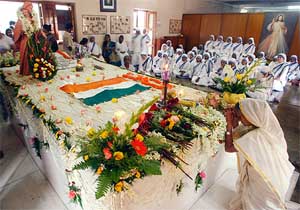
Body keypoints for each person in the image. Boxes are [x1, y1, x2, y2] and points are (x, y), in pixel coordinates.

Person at [225, 98, 294, 210]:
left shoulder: (257, 137)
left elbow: (229, 147)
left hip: (265, 182)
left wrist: (228, 124)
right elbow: (239, 135)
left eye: (241, 116)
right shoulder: (268, 127)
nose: (239, 119)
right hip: (275, 178)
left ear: (251, 115)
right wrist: (235, 122)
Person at [14, 1, 39, 75]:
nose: (25, 11)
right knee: (26, 56)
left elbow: (36, 30)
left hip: (33, 40)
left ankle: (35, 70)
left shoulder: (33, 19)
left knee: (34, 55)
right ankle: (26, 71)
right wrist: (21, 31)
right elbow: (16, 31)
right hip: (25, 41)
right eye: (23, 10)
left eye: (31, 7)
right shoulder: (20, 20)